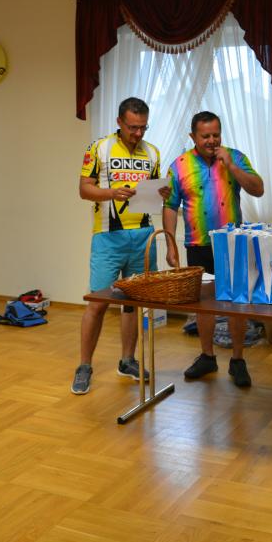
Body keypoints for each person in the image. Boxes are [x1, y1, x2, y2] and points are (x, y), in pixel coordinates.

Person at [71, 97, 170, 395]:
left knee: (133, 303)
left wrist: (163, 193)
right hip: (108, 237)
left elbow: (154, 192)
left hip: (143, 236)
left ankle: (127, 361)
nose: (138, 133)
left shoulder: (152, 152)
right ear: (119, 122)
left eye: (143, 127)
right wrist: (112, 193)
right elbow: (84, 190)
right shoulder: (99, 148)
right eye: (132, 127)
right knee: (98, 303)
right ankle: (84, 366)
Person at [162, 111, 264, 388]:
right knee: (203, 305)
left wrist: (231, 166)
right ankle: (207, 356)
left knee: (236, 304)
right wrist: (171, 244)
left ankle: (238, 360)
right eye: (205, 135)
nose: (211, 140)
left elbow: (258, 189)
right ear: (192, 136)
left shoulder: (235, 157)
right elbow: (170, 206)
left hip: (232, 244)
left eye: (215, 135)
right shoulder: (179, 166)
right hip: (197, 245)